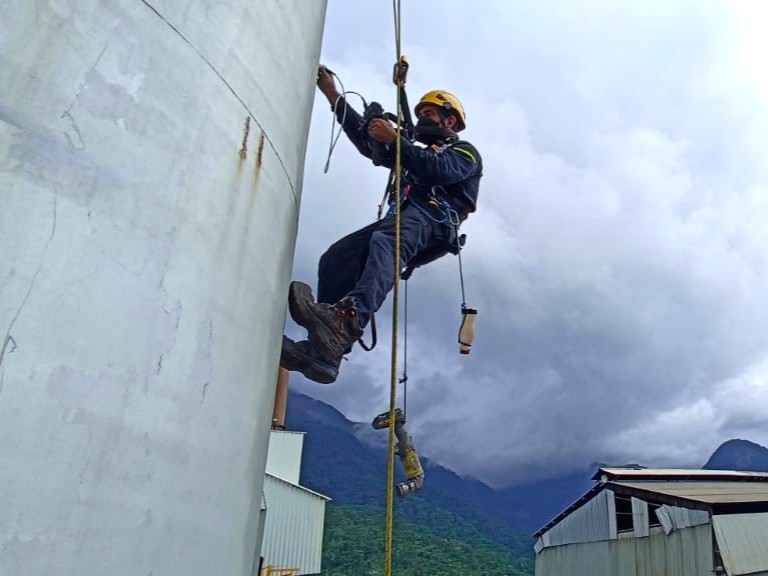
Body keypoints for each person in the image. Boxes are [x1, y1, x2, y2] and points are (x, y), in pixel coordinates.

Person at [281, 66, 483, 384]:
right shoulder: (412, 152)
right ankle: (327, 351)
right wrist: (333, 94)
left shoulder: (463, 152)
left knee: (386, 241)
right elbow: (367, 144)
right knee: (338, 257)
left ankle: (346, 320)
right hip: (403, 217)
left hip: (429, 221)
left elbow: (440, 171)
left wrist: (396, 141)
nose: (423, 119)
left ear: (451, 121)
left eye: (430, 113)